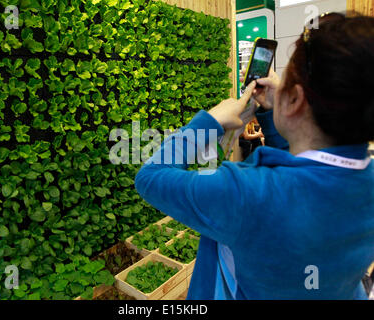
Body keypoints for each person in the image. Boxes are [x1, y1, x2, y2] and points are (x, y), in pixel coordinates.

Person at [135, 13, 374, 299]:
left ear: (295, 99)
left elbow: (151, 177)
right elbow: (305, 174)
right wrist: (276, 114)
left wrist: (209, 122)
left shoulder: (247, 192)